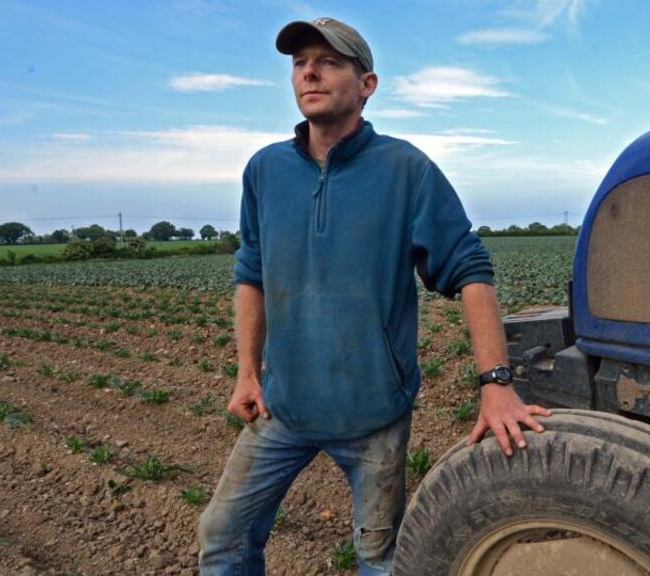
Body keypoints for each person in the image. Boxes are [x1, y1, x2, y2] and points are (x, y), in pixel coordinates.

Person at [197, 16, 551, 576]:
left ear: (367, 84)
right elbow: (252, 273)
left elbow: (471, 269)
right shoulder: (264, 170)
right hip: (283, 407)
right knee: (222, 537)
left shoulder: (406, 170)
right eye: (300, 63)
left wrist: (497, 384)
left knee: (379, 558)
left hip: (374, 415)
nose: (309, 72)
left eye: (328, 62)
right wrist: (246, 374)